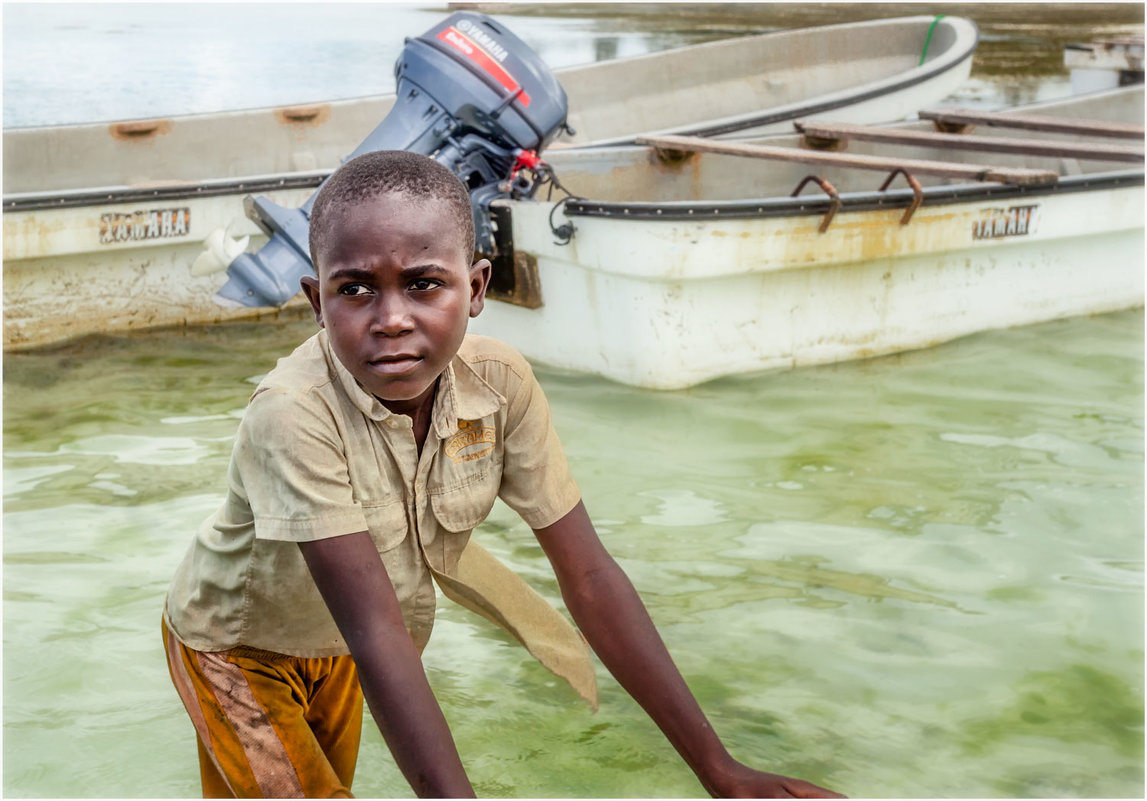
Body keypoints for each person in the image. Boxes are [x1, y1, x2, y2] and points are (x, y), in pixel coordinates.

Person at [162, 149, 843, 799]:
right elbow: (378, 631)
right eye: (355, 289)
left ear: (478, 286)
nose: (392, 318)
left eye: (424, 283)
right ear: (316, 300)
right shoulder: (293, 414)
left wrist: (717, 768)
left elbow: (590, 575)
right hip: (235, 645)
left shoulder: (500, 385)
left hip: (336, 644)